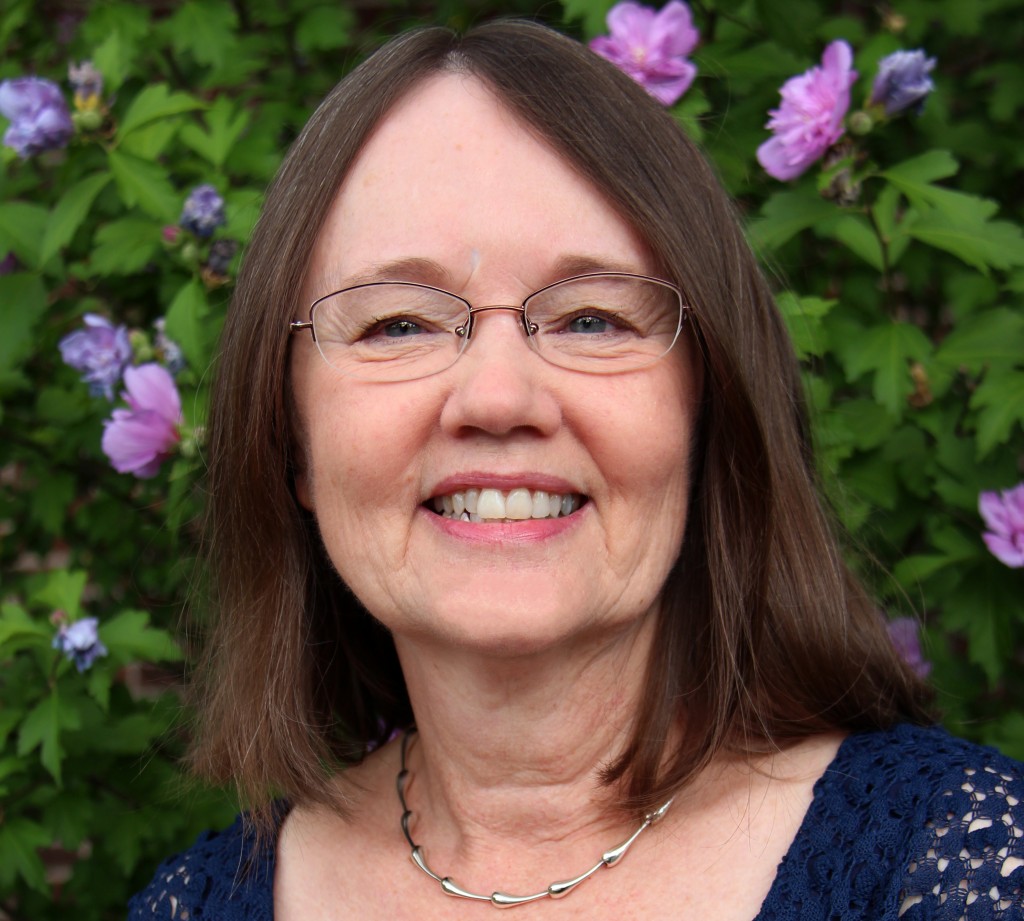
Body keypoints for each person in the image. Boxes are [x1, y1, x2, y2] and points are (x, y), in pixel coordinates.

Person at [128, 19, 1023, 921]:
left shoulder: (960, 868)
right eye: (398, 324)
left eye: (591, 319)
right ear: (292, 438)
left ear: (708, 408)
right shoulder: (195, 906)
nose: (498, 396)